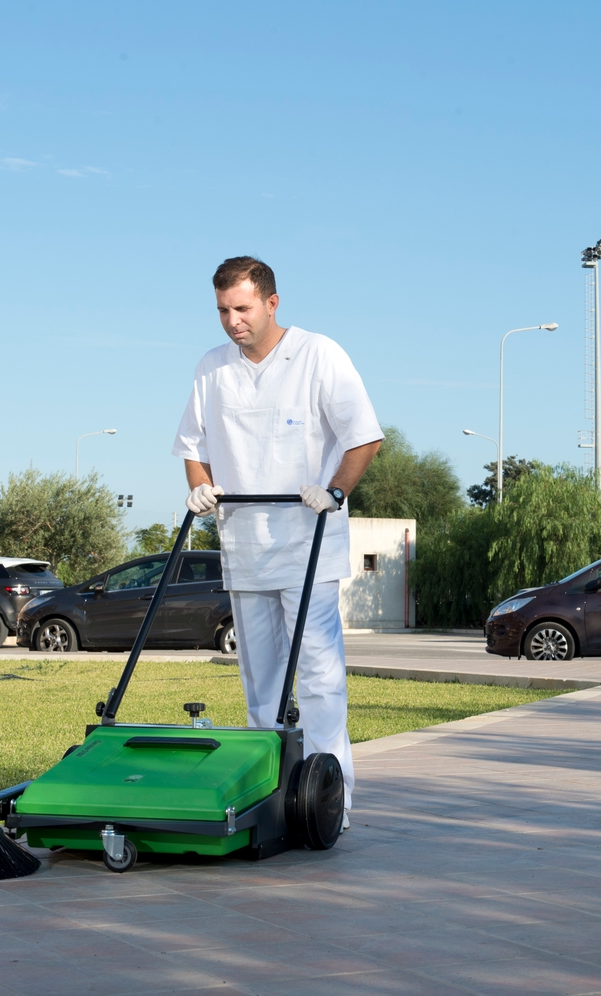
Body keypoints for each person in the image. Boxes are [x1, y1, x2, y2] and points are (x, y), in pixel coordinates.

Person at [172, 256, 382, 824]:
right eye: (223, 310)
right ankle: (268, 795)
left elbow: (364, 436)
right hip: (243, 545)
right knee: (259, 683)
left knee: (318, 676)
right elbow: (193, 447)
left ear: (271, 303)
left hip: (307, 541)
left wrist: (335, 491)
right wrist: (200, 487)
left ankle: (330, 802)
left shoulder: (318, 355)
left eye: (242, 308)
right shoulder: (212, 368)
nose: (232, 321)